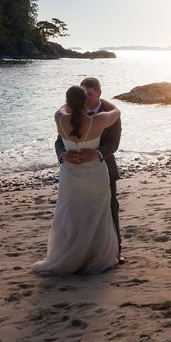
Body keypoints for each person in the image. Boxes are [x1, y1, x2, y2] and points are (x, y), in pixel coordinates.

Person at [32, 85, 121, 274]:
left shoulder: (60, 118)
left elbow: (63, 109)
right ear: (83, 102)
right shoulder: (97, 121)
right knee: (96, 214)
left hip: (70, 174)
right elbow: (116, 111)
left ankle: (70, 255)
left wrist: (72, 103)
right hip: (94, 174)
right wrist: (103, 100)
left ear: (69, 102)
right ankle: (97, 256)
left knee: (71, 213)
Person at [54, 77, 123, 260]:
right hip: (75, 172)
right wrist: (63, 155)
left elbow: (114, 144)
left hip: (103, 168)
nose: (88, 98)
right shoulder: (102, 117)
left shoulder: (62, 116)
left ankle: (115, 253)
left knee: (109, 210)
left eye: (90, 94)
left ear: (99, 93)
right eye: (84, 95)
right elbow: (59, 142)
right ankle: (82, 254)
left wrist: (98, 153)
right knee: (75, 213)